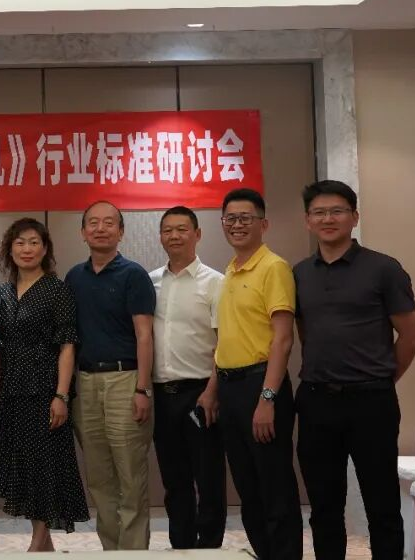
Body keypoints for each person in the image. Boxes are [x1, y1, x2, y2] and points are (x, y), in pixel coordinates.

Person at [294, 180, 415, 560]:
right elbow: (304, 333)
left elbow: (411, 336)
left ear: (354, 217)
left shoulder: (384, 269)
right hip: (316, 401)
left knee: (382, 505)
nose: (327, 219)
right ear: (308, 220)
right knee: (324, 507)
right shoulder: (298, 273)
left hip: (372, 403)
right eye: (319, 212)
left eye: (337, 211)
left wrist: (380, 379)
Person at [0, 217, 88, 551]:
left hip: (45, 391)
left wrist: (61, 395)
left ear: (45, 249)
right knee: (25, 467)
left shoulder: (57, 290)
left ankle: (37, 544)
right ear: (9, 249)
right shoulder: (3, 293)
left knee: (45, 465)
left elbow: (67, 346)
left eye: (34, 242)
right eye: (19, 243)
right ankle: (44, 546)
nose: (26, 249)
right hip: (12, 392)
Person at [214, 188, 302, 560]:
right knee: (248, 489)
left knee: (275, 487)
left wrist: (267, 398)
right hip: (230, 388)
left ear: (263, 224)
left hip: (262, 386)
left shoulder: (273, 267)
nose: (237, 225)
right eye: (230, 219)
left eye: (245, 218)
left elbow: (283, 339)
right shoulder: (230, 271)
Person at [64, 200, 156, 551]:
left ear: (121, 231)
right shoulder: (74, 277)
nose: (100, 229)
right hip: (86, 385)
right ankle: (111, 551)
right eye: (93, 223)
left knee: (131, 476)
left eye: (108, 223)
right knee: (99, 478)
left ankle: (133, 554)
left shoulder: (133, 275)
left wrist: (142, 389)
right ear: (83, 232)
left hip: (125, 381)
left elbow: (145, 335)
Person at [149, 206, 226, 549]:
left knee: (208, 478)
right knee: (174, 478)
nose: (174, 236)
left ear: (198, 234)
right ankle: (180, 545)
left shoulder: (216, 282)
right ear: (160, 236)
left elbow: (225, 342)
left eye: (182, 229)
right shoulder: (150, 281)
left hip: (201, 392)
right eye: (168, 230)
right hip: (162, 393)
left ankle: (209, 548)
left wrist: (212, 390)